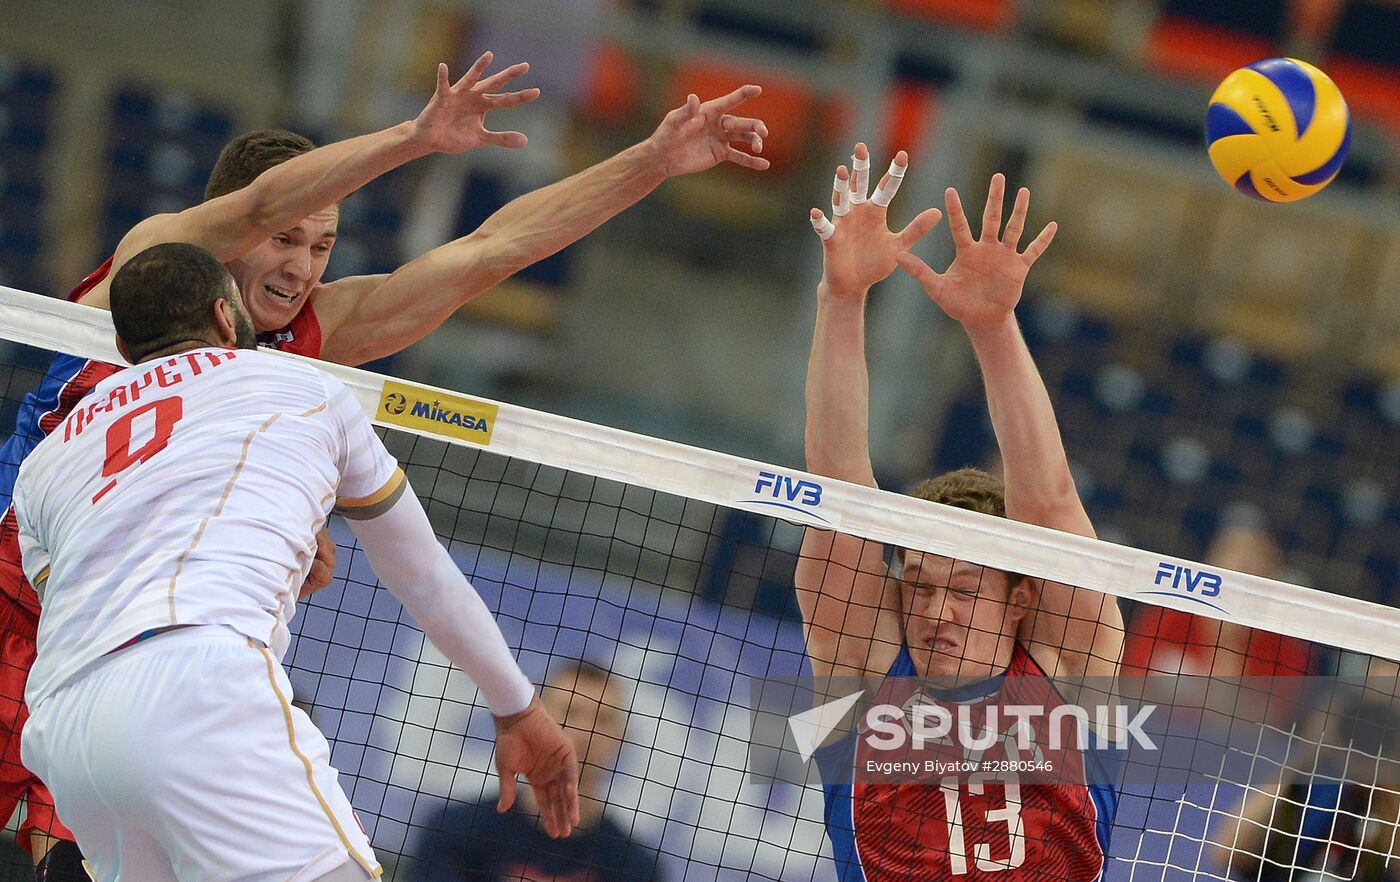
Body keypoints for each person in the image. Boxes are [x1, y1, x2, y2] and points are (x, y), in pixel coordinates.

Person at [0, 60, 769, 876]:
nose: (301, 267)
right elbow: (260, 202)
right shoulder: (149, 270)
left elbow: (491, 250)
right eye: (286, 238)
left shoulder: (313, 339)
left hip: (97, 656)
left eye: (323, 245)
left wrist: (648, 160)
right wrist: (415, 137)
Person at [11, 243, 581, 882]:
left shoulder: (46, 460)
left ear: (121, 341)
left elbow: (76, 599)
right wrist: (517, 707)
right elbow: (418, 571)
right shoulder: (302, 385)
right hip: (195, 686)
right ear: (227, 318)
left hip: (64, 727)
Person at [796, 144, 1124, 881]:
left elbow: (1049, 503)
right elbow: (839, 484)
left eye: (966, 588)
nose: (935, 607)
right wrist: (842, 299)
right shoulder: (867, 667)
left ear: (1019, 600)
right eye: (918, 583)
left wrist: (992, 327)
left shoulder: (1067, 665)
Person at [413, 661, 663, 881]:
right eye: (571, 712)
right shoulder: (456, 833)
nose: (586, 732)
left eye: (602, 719)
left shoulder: (635, 869)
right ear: (538, 720)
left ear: (622, 737)